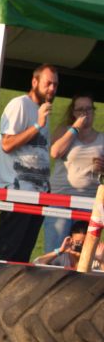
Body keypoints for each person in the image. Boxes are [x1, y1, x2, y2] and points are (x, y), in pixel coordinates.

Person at [0, 64, 58, 262]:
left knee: (23, 253)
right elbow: (7, 144)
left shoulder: (42, 110)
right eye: (48, 83)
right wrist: (37, 126)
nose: (52, 88)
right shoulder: (19, 104)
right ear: (34, 82)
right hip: (18, 191)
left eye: (55, 84)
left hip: (39, 193)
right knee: (7, 249)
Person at [44, 94, 104, 253]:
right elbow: (55, 152)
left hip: (88, 203)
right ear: (73, 112)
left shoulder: (101, 139)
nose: (85, 113)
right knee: (56, 250)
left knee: (81, 254)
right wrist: (75, 128)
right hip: (60, 200)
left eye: (88, 109)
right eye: (80, 110)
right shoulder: (64, 131)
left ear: (94, 111)